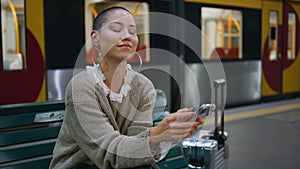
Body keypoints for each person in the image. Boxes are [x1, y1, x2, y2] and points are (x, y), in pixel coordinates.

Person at [49, 6, 204, 169]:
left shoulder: (143, 87)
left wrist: (165, 135)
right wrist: (156, 135)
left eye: (132, 31)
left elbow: (133, 152)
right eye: (116, 29)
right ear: (95, 37)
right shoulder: (81, 86)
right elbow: (107, 154)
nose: (127, 37)